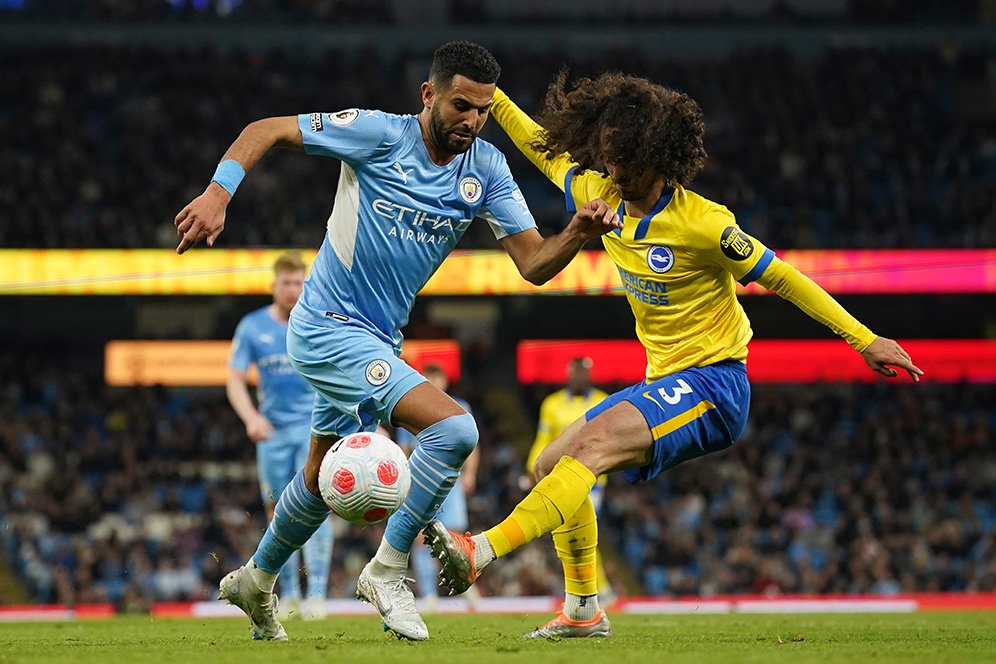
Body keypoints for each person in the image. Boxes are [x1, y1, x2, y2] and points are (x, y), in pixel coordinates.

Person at [423, 72, 923, 639]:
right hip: (663, 382)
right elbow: (538, 144)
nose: (616, 174)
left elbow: (784, 279)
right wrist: (494, 92)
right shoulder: (599, 194)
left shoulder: (706, 224)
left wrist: (865, 339)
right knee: (546, 465)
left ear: (662, 160)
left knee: (584, 450)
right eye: (610, 160)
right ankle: (584, 609)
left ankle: (481, 549)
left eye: (628, 165)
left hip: (715, 385)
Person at [173, 42, 620, 642]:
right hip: (326, 326)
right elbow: (266, 129)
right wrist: (218, 193)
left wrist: (577, 230)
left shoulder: (485, 168)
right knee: (456, 429)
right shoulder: (379, 135)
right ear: (428, 95)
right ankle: (386, 571)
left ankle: (256, 578)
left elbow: (535, 264)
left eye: (483, 111)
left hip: (378, 339)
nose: (472, 121)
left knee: (314, 479)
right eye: (461, 105)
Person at [226, 252, 332, 621]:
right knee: (276, 512)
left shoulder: (318, 321)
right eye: (286, 283)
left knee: (317, 507)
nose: (293, 290)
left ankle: (316, 594)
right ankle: (286, 594)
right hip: (272, 434)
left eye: (299, 283)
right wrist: (250, 418)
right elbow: (235, 378)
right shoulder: (253, 327)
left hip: (315, 430)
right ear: (274, 286)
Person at [524, 357, 612, 603]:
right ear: (567, 374)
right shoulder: (552, 404)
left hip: (592, 478)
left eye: (583, 373)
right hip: (561, 476)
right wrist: (532, 467)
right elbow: (544, 439)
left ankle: (597, 589)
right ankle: (589, 590)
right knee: (573, 534)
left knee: (584, 533)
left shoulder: (603, 402)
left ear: (590, 375)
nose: (578, 377)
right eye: (574, 372)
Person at [394, 364, 481, 612]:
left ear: (445, 379)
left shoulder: (460, 406)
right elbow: (405, 449)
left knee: (455, 537)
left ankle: (466, 585)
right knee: (421, 536)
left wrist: (471, 474)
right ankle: (429, 595)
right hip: (422, 478)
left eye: (437, 377)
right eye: (428, 377)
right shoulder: (413, 406)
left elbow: (473, 445)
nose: (434, 381)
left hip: (451, 479)